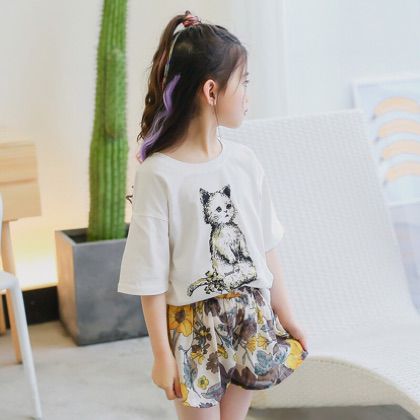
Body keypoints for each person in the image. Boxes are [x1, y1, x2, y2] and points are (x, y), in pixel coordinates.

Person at [118, 10, 309, 420]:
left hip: (250, 319)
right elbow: (150, 277)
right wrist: (161, 355)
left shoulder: (245, 162)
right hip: (192, 332)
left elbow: (266, 247)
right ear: (211, 91)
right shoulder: (158, 175)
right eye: (244, 82)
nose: (248, 95)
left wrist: (287, 317)